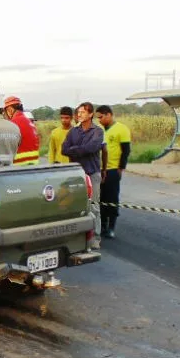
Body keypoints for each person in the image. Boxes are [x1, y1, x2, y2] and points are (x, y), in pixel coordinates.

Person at [61, 102, 105, 249]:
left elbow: (92, 147)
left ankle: (95, 238)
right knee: (74, 205)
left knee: (93, 206)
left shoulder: (98, 131)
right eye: (78, 112)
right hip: (76, 174)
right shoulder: (73, 131)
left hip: (92, 173)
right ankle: (76, 237)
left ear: (91, 114)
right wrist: (80, 149)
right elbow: (64, 149)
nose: (79, 115)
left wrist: (75, 149)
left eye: (83, 112)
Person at [96, 104, 131, 238]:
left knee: (111, 199)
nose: (99, 120)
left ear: (109, 115)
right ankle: (102, 225)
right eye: (98, 117)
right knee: (101, 198)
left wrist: (120, 168)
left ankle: (111, 227)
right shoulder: (98, 129)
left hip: (113, 170)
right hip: (99, 169)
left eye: (101, 117)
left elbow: (126, 151)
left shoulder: (122, 129)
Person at [3, 96, 40, 165]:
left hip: (19, 167)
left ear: (10, 110)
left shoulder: (13, 124)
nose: (5, 115)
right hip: (33, 166)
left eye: (5, 112)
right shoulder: (28, 122)